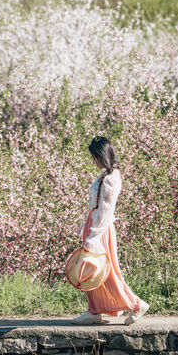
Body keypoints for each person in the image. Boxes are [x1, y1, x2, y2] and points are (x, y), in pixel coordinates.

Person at [72, 135, 149, 325]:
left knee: (106, 271)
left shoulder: (110, 179)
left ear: (101, 156)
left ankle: (136, 304)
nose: (93, 161)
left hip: (100, 228)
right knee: (93, 270)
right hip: (95, 225)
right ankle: (94, 310)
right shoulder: (107, 175)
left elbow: (106, 210)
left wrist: (94, 235)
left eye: (94, 157)